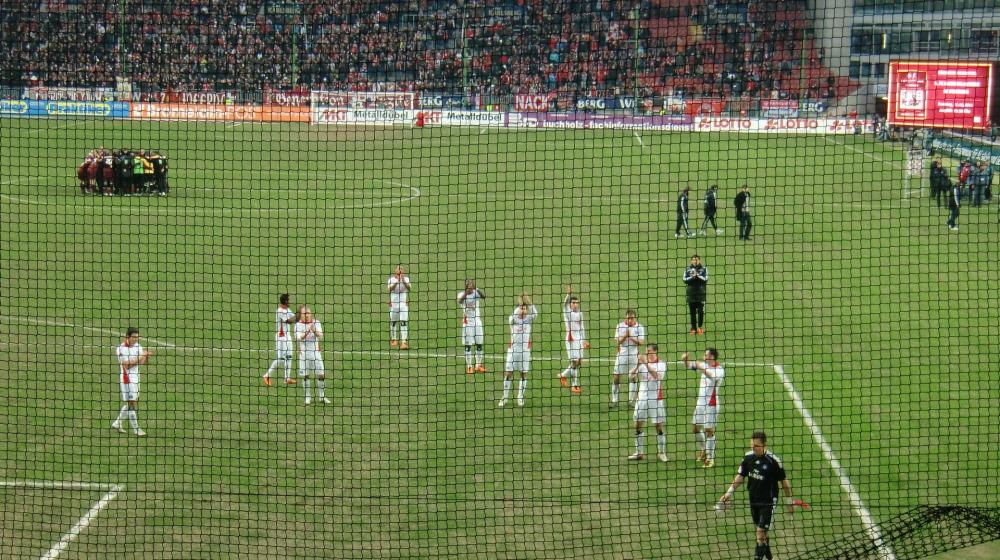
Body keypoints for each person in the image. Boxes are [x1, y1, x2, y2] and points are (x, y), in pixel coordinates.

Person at [717, 431, 795, 560]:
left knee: (760, 532)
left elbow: (784, 483)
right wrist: (729, 492)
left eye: (756, 446)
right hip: (753, 500)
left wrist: (789, 502)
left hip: (769, 502)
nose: (753, 448)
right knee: (761, 532)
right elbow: (741, 476)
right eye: (751, 445)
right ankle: (769, 556)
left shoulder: (773, 461)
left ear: (765, 445)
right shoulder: (748, 458)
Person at [683, 348, 725, 468]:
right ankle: (703, 449)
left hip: (711, 404)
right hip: (700, 403)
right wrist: (685, 360)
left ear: (711, 357)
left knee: (709, 430)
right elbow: (689, 365)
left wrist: (701, 367)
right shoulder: (704, 365)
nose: (703, 356)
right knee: (695, 428)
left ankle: (710, 458)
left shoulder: (719, 370)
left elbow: (712, 376)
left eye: (706, 354)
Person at [628, 344, 668, 462]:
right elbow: (631, 376)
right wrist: (637, 365)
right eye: (646, 351)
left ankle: (661, 453)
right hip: (642, 399)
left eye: (649, 351)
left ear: (655, 351)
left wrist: (645, 363)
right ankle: (639, 453)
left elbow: (657, 376)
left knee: (658, 426)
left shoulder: (661, 364)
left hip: (656, 399)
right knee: (638, 425)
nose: (646, 353)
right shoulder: (642, 364)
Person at [112, 327, 153, 437]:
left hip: (136, 378)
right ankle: (136, 429)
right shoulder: (121, 349)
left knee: (132, 402)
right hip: (127, 379)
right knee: (132, 403)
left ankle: (117, 423)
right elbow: (127, 365)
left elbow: (142, 363)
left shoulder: (138, 346)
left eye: (137, 337)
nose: (136, 339)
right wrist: (141, 356)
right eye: (134, 337)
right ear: (128, 337)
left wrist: (146, 356)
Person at [499, 293, 538, 408]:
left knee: (523, 374)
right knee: (508, 373)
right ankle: (504, 397)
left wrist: (529, 303)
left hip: (525, 351)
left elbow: (536, 313)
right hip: (513, 350)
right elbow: (514, 315)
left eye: (524, 309)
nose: (523, 310)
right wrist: (520, 305)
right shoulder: (513, 319)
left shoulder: (529, 319)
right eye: (521, 308)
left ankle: (520, 397)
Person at [263, 293, 300, 387]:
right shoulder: (280, 311)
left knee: (289, 356)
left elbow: (295, 319)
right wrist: (299, 313)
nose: (291, 301)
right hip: (281, 337)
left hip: (287, 336)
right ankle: (266, 375)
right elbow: (289, 321)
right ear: (286, 301)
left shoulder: (287, 310)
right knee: (280, 358)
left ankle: (287, 378)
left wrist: (300, 315)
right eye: (289, 300)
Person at [295, 306, 329, 405]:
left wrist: (313, 330)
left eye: (308, 313)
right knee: (306, 376)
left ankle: (322, 396)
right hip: (304, 355)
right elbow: (299, 338)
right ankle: (307, 397)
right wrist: (307, 331)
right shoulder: (298, 325)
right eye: (304, 314)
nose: (307, 315)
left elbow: (321, 336)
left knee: (321, 375)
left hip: (316, 354)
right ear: (301, 315)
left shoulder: (316, 323)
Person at [558, 285, 588, 394]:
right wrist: (568, 294)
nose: (575, 304)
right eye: (573, 303)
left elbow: (582, 327)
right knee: (574, 361)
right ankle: (574, 385)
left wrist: (584, 340)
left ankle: (563, 375)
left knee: (579, 361)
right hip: (571, 339)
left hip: (579, 339)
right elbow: (564, 304)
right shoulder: (567, 313)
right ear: (570, 304)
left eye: (576, 303)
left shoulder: (580, 314)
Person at [612, 309, 645, 406]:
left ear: (635, 318)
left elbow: (641, 342)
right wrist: (625, 336)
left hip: (634, 355)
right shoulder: (620, 326)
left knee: (633, 377)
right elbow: (618, 342)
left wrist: (631, 337)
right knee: (616, 376)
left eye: (632, 318)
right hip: (622, 354)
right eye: (628, 318)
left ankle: (631, 401)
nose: (630, 320)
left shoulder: (640, 327)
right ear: (625, 317)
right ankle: (614, 400)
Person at [458, 279, 486, 374]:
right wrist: (467, 293)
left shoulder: (475, 293)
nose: (471, 288)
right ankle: (469, 366)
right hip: (467, 323)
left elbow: (483, 296)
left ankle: (478, 365)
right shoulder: (461, 295)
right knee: (468, 345)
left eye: (471, 285)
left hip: (477, 322)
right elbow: (460, 301)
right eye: (468, 286)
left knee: (479, 344)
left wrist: (476, 288)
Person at [683, 255, 708, 335]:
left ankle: (700, 327)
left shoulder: (704, 269)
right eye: (693, 260)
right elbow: (684, 280)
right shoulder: (687, 269)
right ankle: (693, 328)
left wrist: (697, 276)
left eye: (696, 260)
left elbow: (705, 279)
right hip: (691, 294)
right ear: (691, 261)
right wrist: (692, 277)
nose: (695, 261)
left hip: (701, 294)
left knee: (701, 312)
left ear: (699, 260)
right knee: (692, 312)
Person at [388, 265, 411, 349]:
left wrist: (403, 281)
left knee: (403, 322)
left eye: (401, 269)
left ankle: (404, 342)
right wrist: (397, 281)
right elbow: (390, 289)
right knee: (393, 322)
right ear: (395, 271)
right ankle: (394, 339)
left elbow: (409, 288)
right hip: (394, 305)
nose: (400, 270)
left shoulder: (406, 279)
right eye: (399, 269)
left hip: (403, 305)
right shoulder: (391, 279)